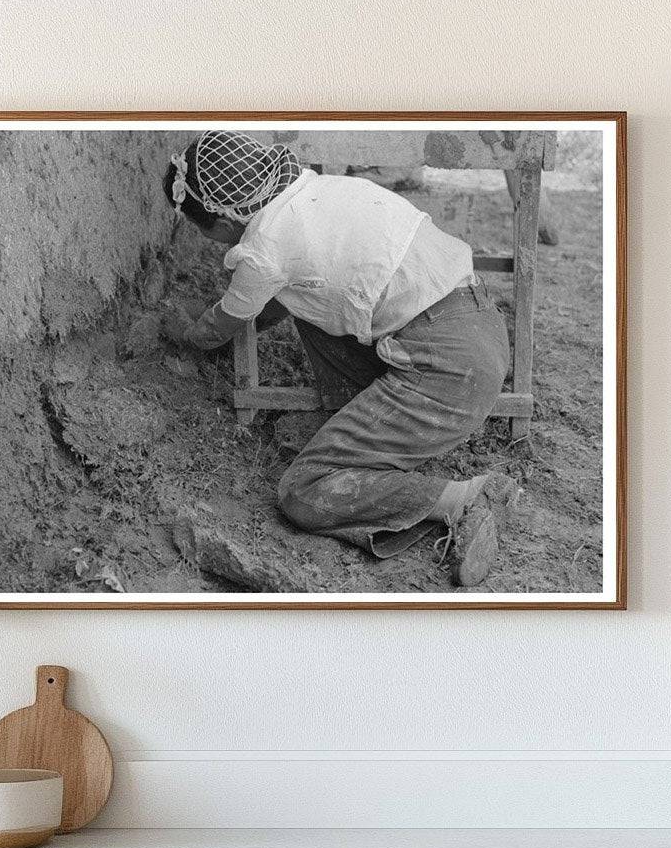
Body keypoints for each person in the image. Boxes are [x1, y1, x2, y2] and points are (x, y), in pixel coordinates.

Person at [161, 130, 520, 586]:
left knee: (302, 492)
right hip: (477, 325)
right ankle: (361, 427)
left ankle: (462, 499)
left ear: (220, 219)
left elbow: (227, 321)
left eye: (199, 228)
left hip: (446, 370)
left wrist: (186, 335)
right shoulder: (316, 190)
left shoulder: (264, 250)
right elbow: (270, 303)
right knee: (304, 302)